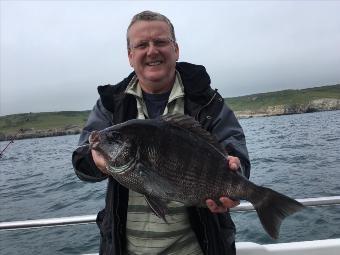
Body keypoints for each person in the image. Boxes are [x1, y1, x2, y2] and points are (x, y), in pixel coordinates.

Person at [72, 10, 250, 255]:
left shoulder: (207, 101)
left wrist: (235, 171)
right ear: (130, 55)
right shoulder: (110, 104)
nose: (152, 51)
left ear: (175, 49)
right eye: (142, 45)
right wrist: (98, 162)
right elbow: (81, 160)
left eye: (161, 42)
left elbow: (234, 151)